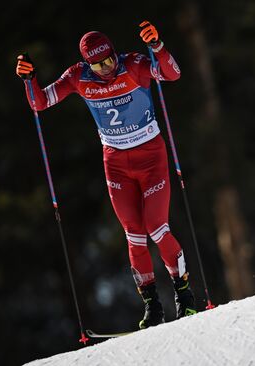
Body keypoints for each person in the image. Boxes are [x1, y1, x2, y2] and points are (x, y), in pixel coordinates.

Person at [16, 21, 197, 328]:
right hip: (115, 162)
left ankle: (185, 296)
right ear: (87, 63)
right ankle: (152, 305)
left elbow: (173, 73)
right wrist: (29, 79)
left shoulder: (135, 65)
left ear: (116, 53)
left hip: (150, 156)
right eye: (97, 64)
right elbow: (40, 102)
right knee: (134, 236)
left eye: (109, 60)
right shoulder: (77, 76)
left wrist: (157, 47)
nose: (105, 69)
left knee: (157, 228)